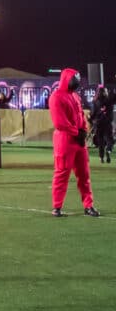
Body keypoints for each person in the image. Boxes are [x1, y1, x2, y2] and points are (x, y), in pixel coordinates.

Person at [50, 68, 99, 217]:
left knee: (84, 175)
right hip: (65, 140)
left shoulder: (76, 97)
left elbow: (80, 115)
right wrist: (77, 133)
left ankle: (88, 205)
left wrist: (83, 131)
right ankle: (57, 207)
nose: (77, 83)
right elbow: (60, 122)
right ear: (67, 80)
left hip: (78, 141)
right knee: (62, 173)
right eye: (74, 80)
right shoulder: (56, 97)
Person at [89, 86, 113, 164]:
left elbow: (93, 113)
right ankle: (108, 150)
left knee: (101, 141)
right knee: (109, 139)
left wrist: (90, 119)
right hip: (107, 123)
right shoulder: (109, 100)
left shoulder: (95, 101)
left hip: (98, 123)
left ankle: (101, 157)